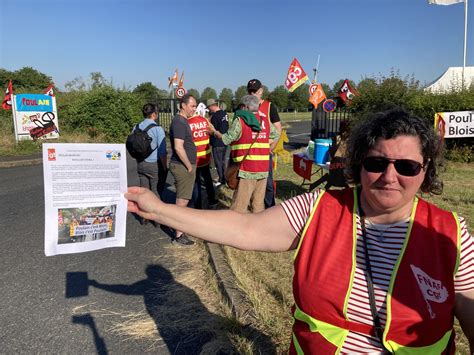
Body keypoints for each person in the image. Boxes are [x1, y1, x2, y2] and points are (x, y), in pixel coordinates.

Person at [126, 108, 474, 353]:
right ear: (359, 164)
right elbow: (244, 228)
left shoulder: (451, 233)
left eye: (408, 166)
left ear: (426, 171)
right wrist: (160, 209)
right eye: (376, 162)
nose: (389, 176)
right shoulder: (318, 208)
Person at [210, 95, 279, 213]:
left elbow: (226, 139)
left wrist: (214, 131)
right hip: (263, 168)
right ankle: (256, 228)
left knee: (239, 206)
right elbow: (276, 135)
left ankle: (235, 229)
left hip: (247, 169)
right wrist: (265, 144)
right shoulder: (265, 120)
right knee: (258, 205)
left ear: (245, 107)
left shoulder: (240, 120)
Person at [247, 79, 282, 209]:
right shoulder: (245, 106)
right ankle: (254, 207)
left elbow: (278, 128)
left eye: (255, 91)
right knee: (249, 183)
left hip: (264, 154)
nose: (252, 94)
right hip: (249, 153)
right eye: (250, 91)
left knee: (267, 184)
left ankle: (270, 209)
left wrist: (271, 146)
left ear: (261, 91)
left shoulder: (269, 107)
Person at [169, 93, 198, 246]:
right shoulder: (179, 122)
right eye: (192, 106)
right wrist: (188, 165)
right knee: (182, 201)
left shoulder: (182, 120)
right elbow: (178, 147)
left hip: (184, 166)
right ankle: (178, 236)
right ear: (183, 105)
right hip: (182, 166)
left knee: (183, 199)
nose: (195, 109)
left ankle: (179, 230)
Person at [132, 103, 168, 219]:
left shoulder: (136, 127)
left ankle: (143, 216)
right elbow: (162, 152)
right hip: (153, 165)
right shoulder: (158, 129)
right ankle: (157, 219)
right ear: (153, 114)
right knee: (155, 192)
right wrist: (164, 166)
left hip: (140, 163)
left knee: (143, 192)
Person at [188, 103, 218, 209]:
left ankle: (198, 205)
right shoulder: (205, 121)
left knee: (196, 182)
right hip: (205, 157)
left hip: (194, 158)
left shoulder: (188, 123)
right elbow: (213, 131)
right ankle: (212, 200)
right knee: (207, 178)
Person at [207, 98, 229, 186]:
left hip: (217, 142)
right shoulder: (224, 113)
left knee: (218, 162)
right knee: (223, 161)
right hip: (225, 141)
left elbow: (212, 129)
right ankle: (225, 178)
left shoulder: (215, 116)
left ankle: (221, 180)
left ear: (212, 106)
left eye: (209, 107)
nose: (209, 109)